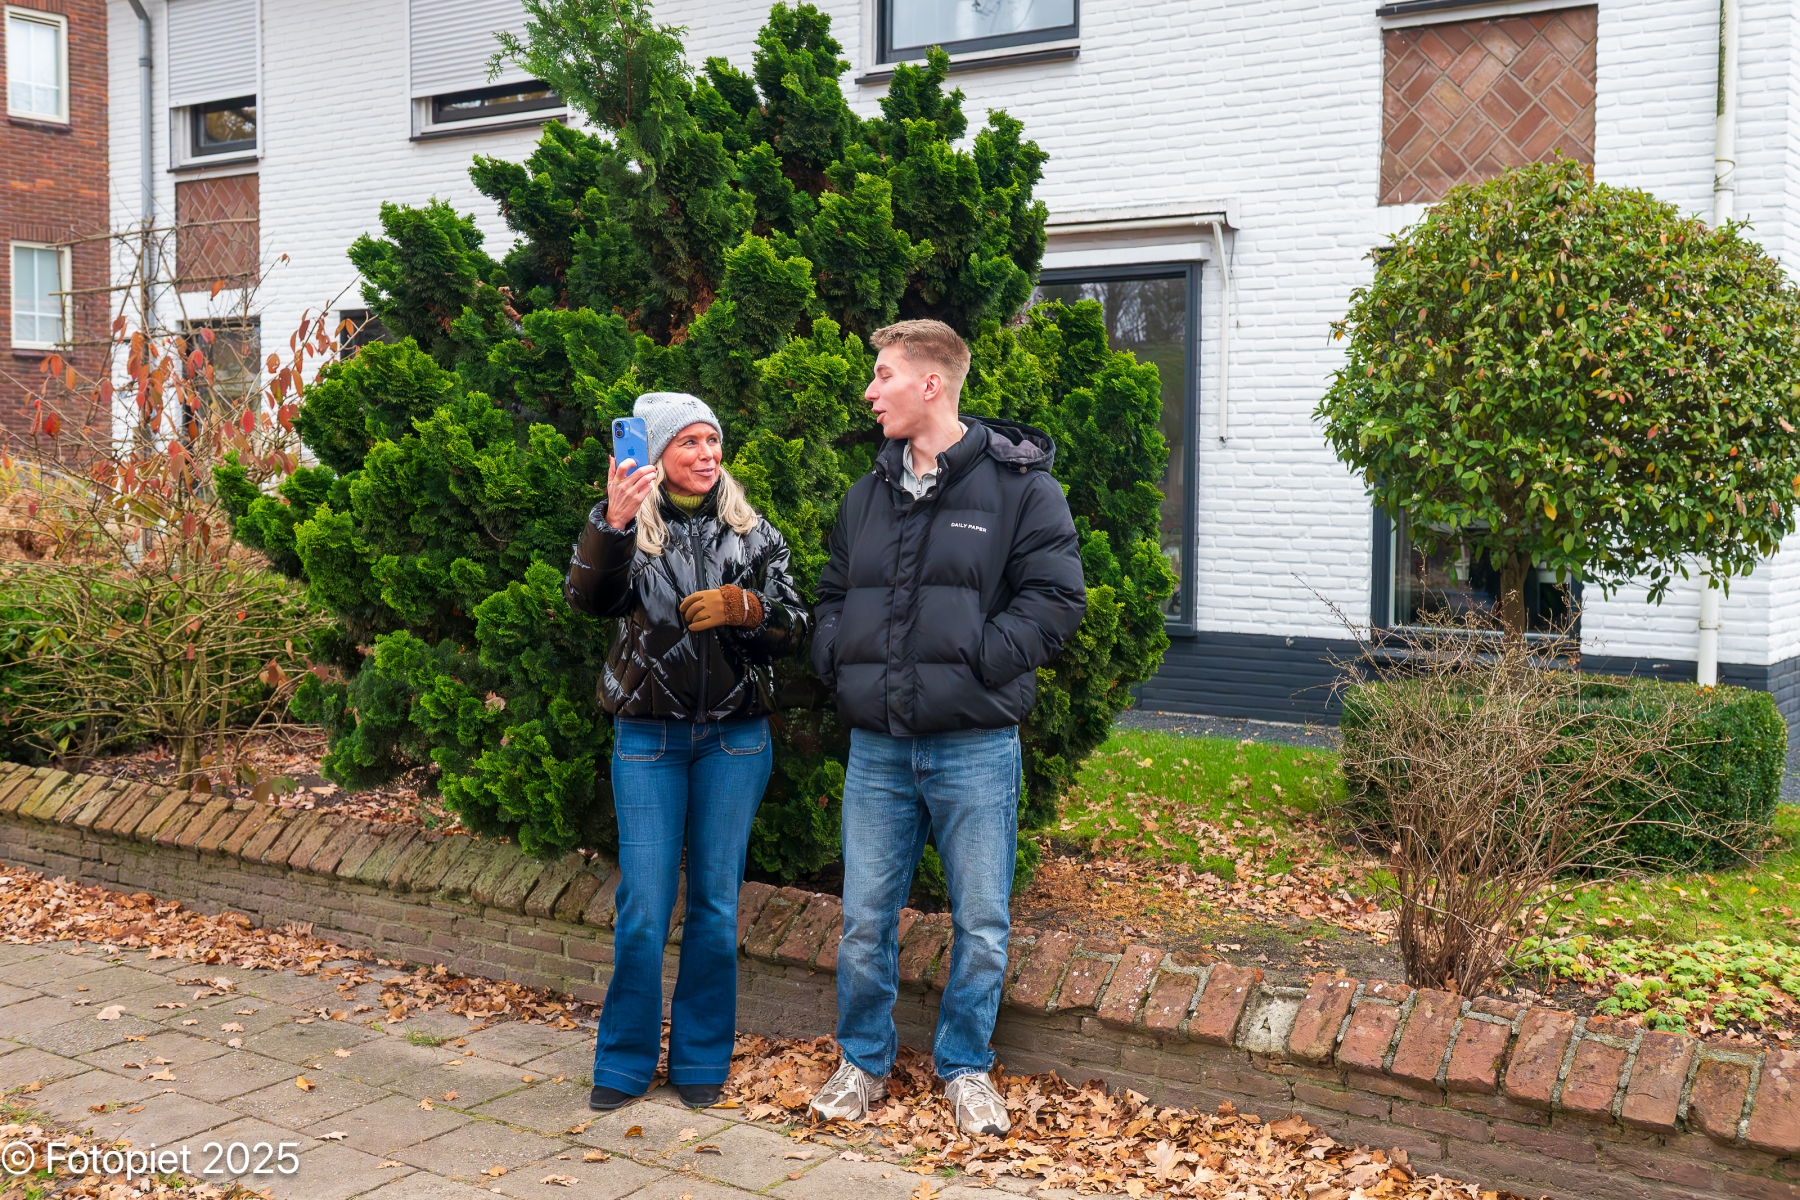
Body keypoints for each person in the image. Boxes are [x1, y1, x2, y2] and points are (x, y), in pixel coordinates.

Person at [807, 320, 1088, 1135]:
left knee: (983, 926)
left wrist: (978, 661)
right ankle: (862, 1062)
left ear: (930, 384)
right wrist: (838, 658)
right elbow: (831, 597)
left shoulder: (1021, 489)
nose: (870, 392)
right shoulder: (866, 495)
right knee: (864, 921)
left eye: (883, 375)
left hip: (975, 747)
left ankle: (966, 1067)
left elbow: (1056, 599)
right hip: (878, 749)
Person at [564, 391, 808, 1113]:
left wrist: (750, 609)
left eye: (712, 440)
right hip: (649, 739)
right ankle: (624, 1061)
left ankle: (700, 1057)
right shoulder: (631, 531)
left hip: (735, 740)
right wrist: (610, 524)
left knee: (715, 906)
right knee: (643, 906)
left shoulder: (753, 533)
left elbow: (799, 624)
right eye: (689, 443)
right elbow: (587, 599)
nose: (707, 454)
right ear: (657, 454)